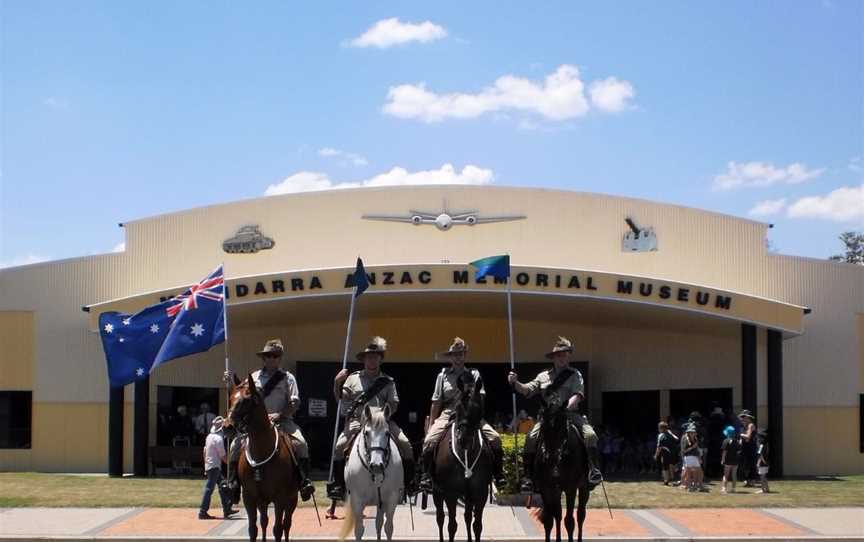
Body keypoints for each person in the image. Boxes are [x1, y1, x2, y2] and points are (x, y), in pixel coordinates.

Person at [223, 339, 315, 501]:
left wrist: (280, 414)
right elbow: (240, 395)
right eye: (268, 356)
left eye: (275, 356)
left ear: (280, 358)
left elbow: (295, 402)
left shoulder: (288, 378)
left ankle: (304, 482)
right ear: (263, 358)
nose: (271, 358)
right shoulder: (254, 377)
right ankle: (232, 485)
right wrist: (230, 381)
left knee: (301, 444)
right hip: (256, 424)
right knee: (234, 446)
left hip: (282, 420)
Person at [508, 336, 602, 491]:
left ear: (568, 357)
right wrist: (515, 382)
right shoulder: (543, 376)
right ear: (553, 358)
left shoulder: (575, 374)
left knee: (590, 435)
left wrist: (568, 406)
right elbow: (527, 390)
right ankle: (528, 476)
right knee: (531, 437)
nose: (562, 358)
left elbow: (577, 394)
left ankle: (593, 470)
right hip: (547, 416)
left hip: (569, 414)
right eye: (559, 355)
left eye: (565, 355)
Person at [327, 336, 416, 500]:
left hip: (382, 421)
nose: (372, 360)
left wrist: (383, 414)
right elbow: (341, 398)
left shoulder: (388, 381)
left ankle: (409, 484)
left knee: (405, 444)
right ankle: (339, 486)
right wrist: (336, 383)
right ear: (364, 360)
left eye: (375, 357)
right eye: (369, 357)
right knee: (339, 447)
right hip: (358, 420)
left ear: (380, 360)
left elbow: (394, 403)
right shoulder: (353, 378)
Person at [418, 338, 506, 492]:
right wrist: (432, 423)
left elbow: (481, 397)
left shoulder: (474, 374)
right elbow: (436, 402)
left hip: (470, 414)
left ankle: (499, 475)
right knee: (430, 441)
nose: (458, 357)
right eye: (454, 354)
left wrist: (475, 413)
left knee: (495, 439)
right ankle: (426, 476)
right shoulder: (442, 376)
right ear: (450, 357)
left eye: (461, 354)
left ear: (465, 356)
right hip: (449, 413)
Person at [198, 417, 237, 519]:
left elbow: (204, 451)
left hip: (210, 465)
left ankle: (227, 509)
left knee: (222, 486)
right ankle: (203, 511)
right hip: (215, 466)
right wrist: (231, 464)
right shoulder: (218, 439)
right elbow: (223, 456)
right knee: (209, 489)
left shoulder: (209, 437)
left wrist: (205, 465)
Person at [654, 421, 678, 485]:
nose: (658, 429)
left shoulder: (661, 435)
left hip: (665, 453)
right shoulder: (670, 434)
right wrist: (671, 433)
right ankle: (672, 479)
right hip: (673, 453)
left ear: (661, 428)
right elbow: (677, 439)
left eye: (659, 428)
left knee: (665, 467)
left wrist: (656, 455)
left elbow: (659, 446)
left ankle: (666, 480)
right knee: (671, 465)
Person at [737, 410, 758, 487]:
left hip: (751, 448)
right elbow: (742, 439)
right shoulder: (743, 427)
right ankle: (747, 480)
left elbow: (748, 437)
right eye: (742, 417)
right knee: (744, 465)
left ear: (748, 418)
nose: (742, 419)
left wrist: (740, 435)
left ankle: (751, 481)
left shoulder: (750, 425)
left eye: (743, 417)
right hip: (744, 448)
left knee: (751, 465)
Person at [681, 424, 702, 492]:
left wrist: (699, 457)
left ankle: (695, 485)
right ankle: (689, 486)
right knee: (688, 472)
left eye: (694, 432)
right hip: (688, 457)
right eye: (692, 432)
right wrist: (692, 447)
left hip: (695, 457)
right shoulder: (685, 438)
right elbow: (684, 450)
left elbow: (697, 449)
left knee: (697, 472)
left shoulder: (695, 438)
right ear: (689, 432)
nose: (693, 433)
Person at [720, 425, 741, 494]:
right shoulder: (737, 441)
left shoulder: (726, 441)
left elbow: (724, 452)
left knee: (726, 475)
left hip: (728, 460)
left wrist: (722, 459)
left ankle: (724, 488)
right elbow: (738, 452)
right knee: (734, 475)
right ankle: (733, 488)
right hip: (735, 460)